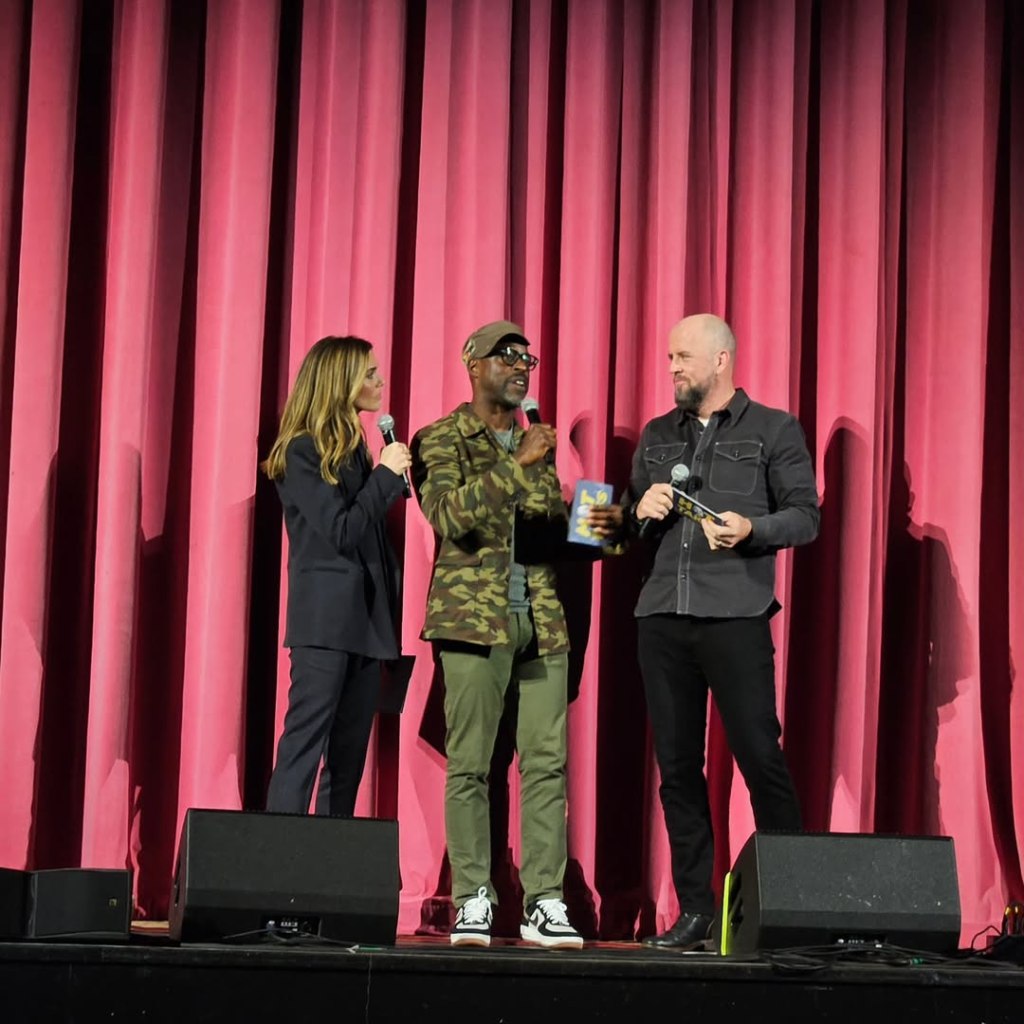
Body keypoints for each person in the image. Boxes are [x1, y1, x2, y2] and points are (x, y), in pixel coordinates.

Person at [411, 320, 616, 949]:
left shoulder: (539, 446)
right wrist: (515, 467)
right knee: (471, 765)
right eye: (506, 356)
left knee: (547, 765)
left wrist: (606, 523)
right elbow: (447, 514)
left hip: (543, 622)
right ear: (472, 364)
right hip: (473, 623)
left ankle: (545, 900)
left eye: (528, 357)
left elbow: (551, 535)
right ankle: (475, 894)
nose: (521, 365)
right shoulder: (440, 437)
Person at [626, 313, 820, 949]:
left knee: (760, 757)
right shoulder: (656, 436)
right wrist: (633, 512)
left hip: (734, 618)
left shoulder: (772, 428)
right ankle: (695, 912)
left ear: (721, 360)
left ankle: (790, 907)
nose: (673, 367)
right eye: (671, 357)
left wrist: (751, 529)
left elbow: (805, 517)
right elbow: (604, 533)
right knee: (677, 768)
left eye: (683, 356)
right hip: (661, 619)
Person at [262, 335, 412, 818]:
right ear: (339, 381)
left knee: (347, 762)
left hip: (368, 626)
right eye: (369, 373)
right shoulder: (302, 452)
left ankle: (330, 881)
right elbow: (340, 531)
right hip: (325, 627)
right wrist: (385, 477)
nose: (380, 381)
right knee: (304, 747)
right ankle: (275, 872)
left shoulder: (355, 451)